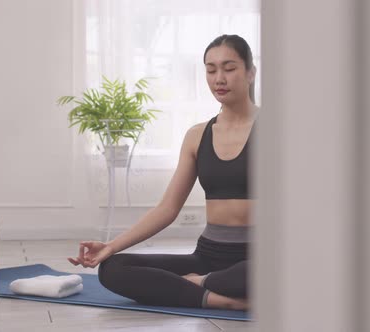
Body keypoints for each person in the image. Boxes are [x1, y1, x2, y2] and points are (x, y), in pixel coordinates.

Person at [68, 34, 259, 311]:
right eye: (211, 69)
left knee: (285, 267)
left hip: (257, 258)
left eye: (229, 69)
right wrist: (111, 246)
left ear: (250, 73)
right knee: (113, 268)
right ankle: (222, 298)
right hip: (208, 255)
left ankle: (199, 284)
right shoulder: (197, 135)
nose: (219, 78)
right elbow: (167, 208)